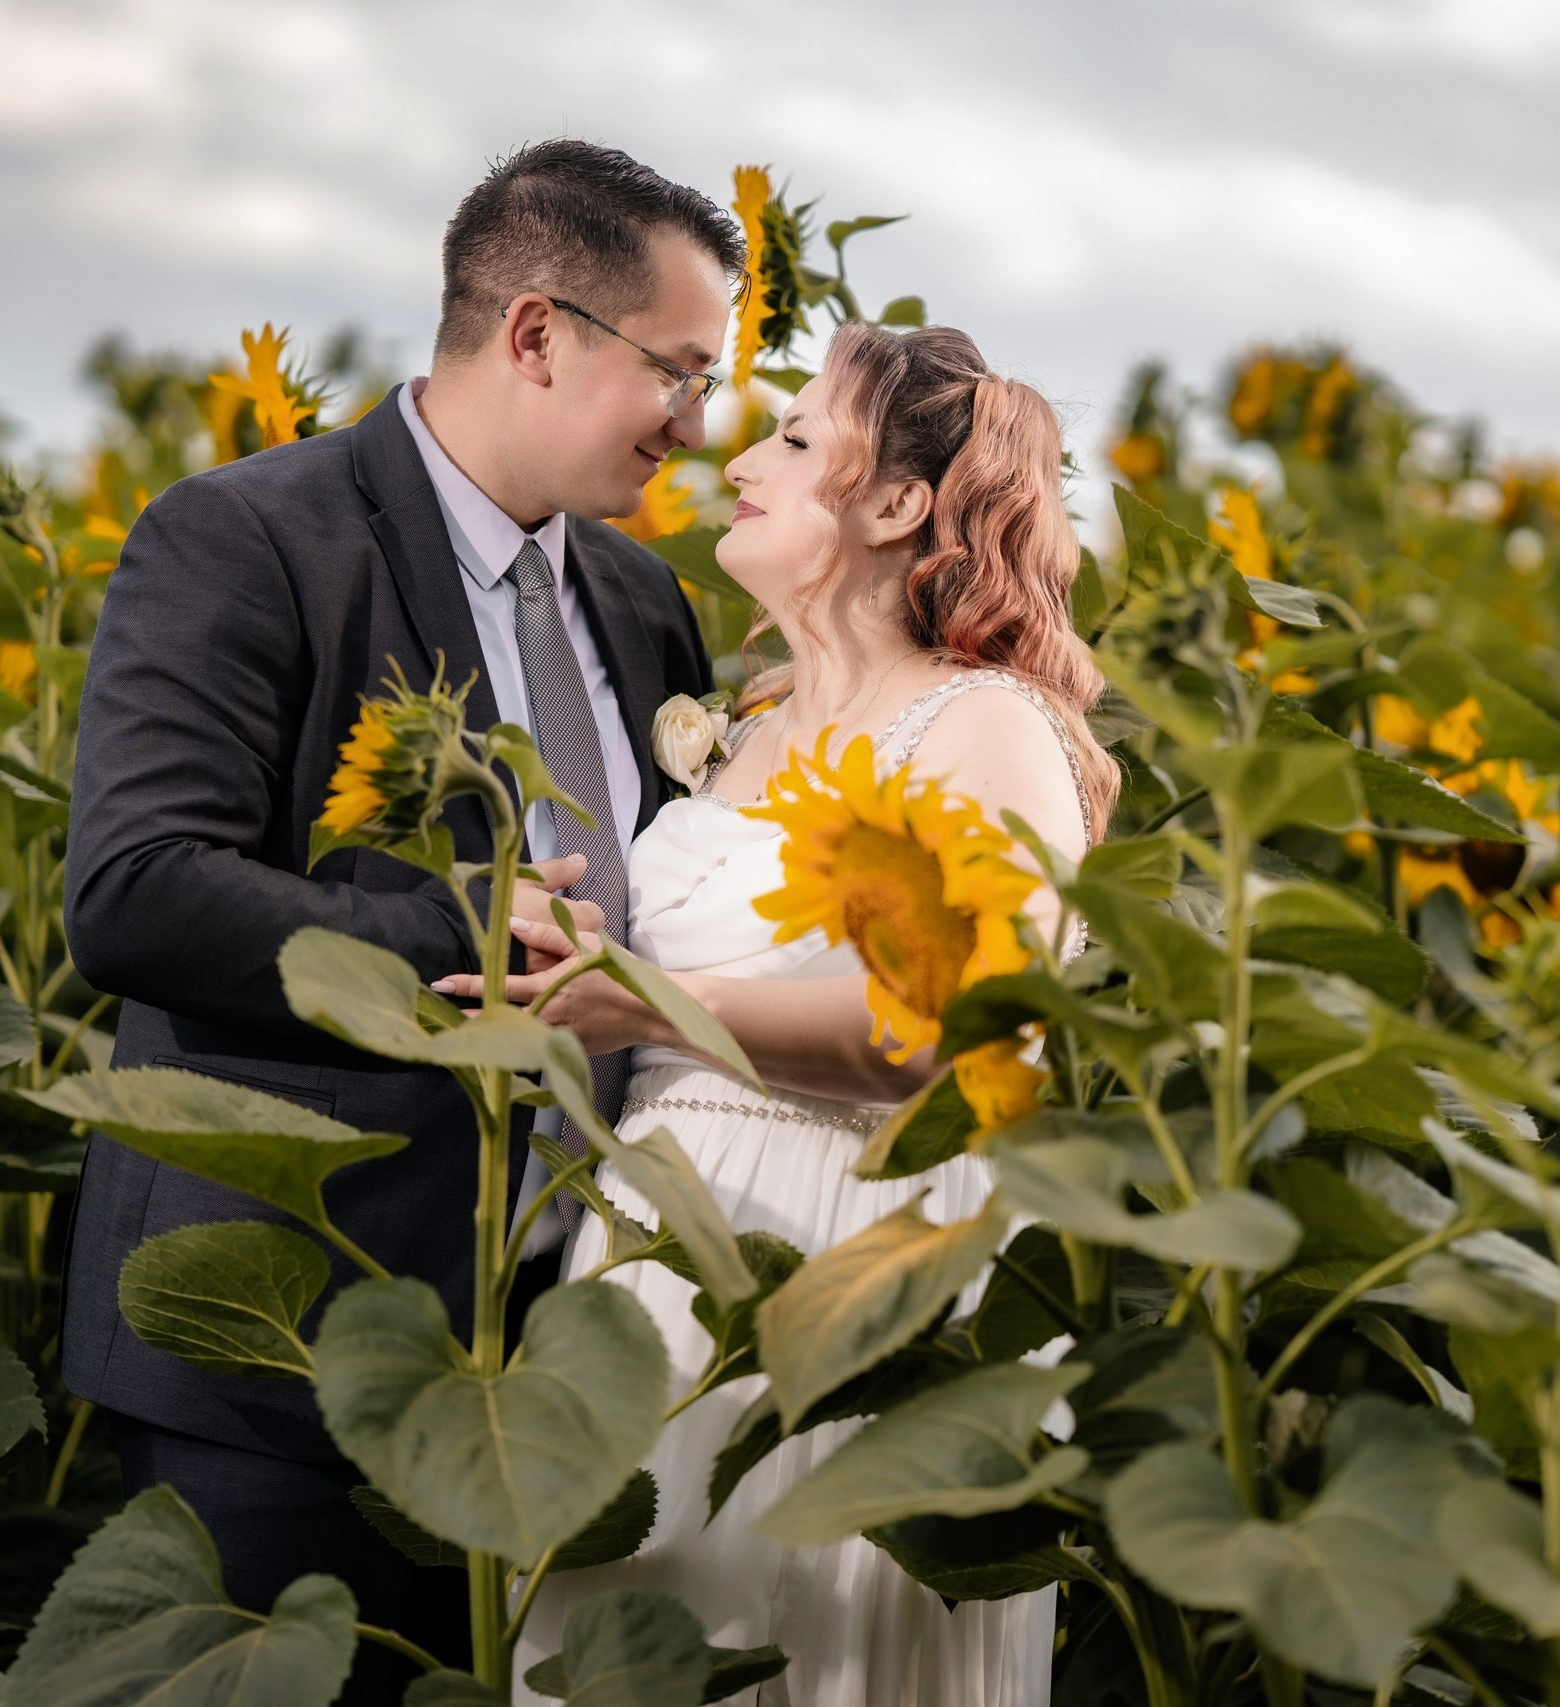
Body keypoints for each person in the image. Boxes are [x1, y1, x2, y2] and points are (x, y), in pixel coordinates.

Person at [59, 139, 738, 1705]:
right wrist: (462, 931)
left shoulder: (643, 603)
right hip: (294, 1345)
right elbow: (136, 891)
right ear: (538, 333)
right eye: (677, 372)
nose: (697, 427)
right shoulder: (249, 535)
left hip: (559, 1356)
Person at [439, 321, 1114, 1707]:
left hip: (841, 1257)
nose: (735, 457)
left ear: (894, 504)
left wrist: (642, 1000)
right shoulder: (748, 722)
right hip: (653, 1267)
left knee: (802, 1644)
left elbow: (977, 1030)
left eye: (795, 439)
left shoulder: (982, 722)